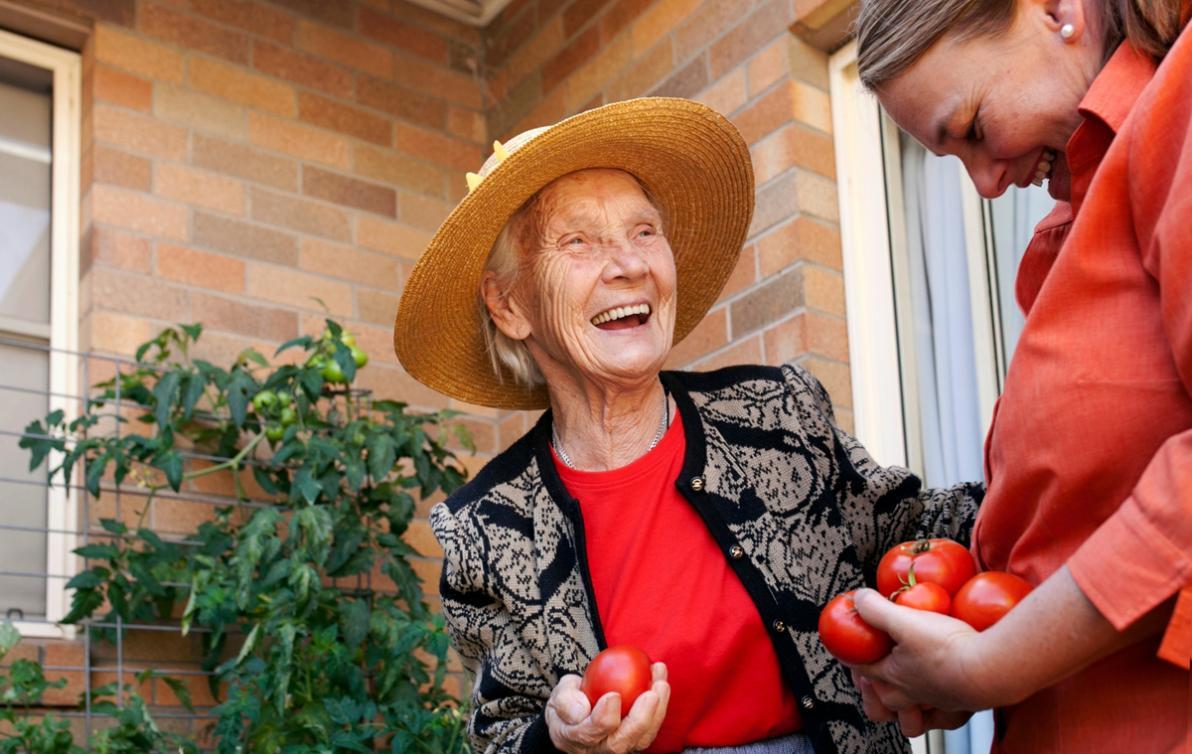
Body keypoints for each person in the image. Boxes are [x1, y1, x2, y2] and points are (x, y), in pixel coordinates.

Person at [392, 97, 983, 754]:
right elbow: (498, 735)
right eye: (580, 241)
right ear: (508, 305)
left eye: (645, 231)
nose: (629, 265)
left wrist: (1063, 483)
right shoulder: (488, 529)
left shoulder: (777, 416)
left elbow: (920, 541)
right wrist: (555, 742)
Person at [846, 1, 1192, 752]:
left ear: (1056, 10)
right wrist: (966, 650)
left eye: (971, 129)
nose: (985, 185)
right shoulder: (1077, 220)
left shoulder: (1181, 106)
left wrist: (993, 663)